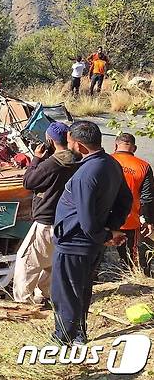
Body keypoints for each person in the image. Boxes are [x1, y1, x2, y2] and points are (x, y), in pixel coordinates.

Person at [51, 120, 132, 344]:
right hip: (88, 243)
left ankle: (64, 338)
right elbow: (126, 199)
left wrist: (106, 236)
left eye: (69, 143)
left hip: (75, 243)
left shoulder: (87, 173)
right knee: (82, 290)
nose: (68, 147)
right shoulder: (110, 163)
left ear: (80, 146)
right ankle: (78, 335)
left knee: (65, 293)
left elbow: (86, 219)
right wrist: (112, 228)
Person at [14, 122, 77, 305]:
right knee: (50, 261)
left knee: (26, 261)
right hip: (64, 219)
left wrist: (36, 159)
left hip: (46, 220)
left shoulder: (52, 163)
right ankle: (45, 294)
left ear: (49, 140)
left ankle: (23, 302)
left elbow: (29, 182)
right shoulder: (76, 160)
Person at [112, 133, 154, 273]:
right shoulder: (144, 166)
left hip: (102, 218)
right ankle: (132, 279)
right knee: (130, 259)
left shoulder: (105, 161)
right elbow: (147, 198)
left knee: (95, 257)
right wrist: (148, 220)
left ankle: (93, 282)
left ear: (115, 145)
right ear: (134, 148)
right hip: (129, 220)